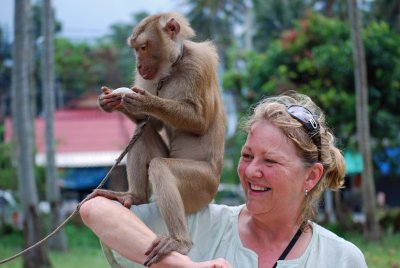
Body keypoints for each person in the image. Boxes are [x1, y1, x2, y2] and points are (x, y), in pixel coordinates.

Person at [80, 92, 368, 268]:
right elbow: (95, 210)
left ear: (311, 175)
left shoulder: (340, 258)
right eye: (247, 156)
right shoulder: (200, 223)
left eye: (270, 161)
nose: (251, 171)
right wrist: (184, 265)